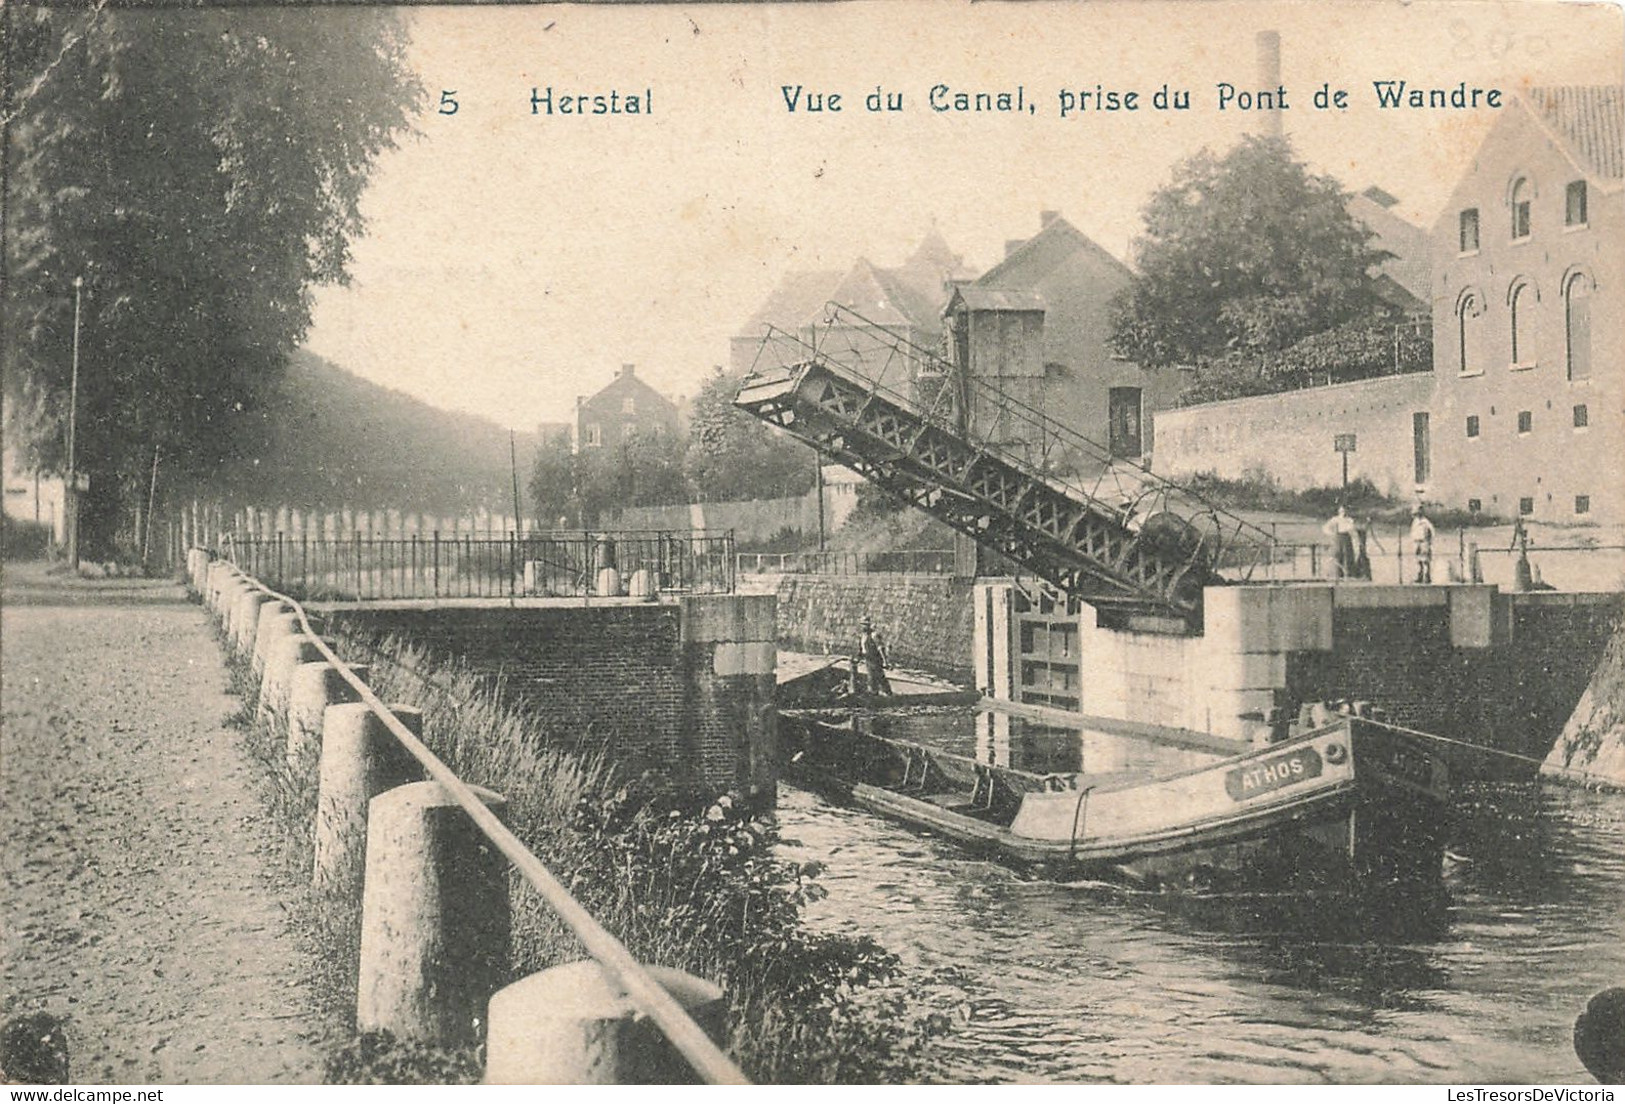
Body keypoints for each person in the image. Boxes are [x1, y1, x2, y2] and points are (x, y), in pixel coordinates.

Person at [858, 616, 893, 696]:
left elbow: (880, 648)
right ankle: (874, 694)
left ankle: (888, 693)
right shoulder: (863, 636)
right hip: (868, 659)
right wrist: (860, 658)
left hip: (875, 659)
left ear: (869, 625)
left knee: (879, 676)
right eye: (862, 624)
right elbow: (862, 648)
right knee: (871, 677)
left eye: (865, 624)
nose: (863, 626)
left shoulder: (874, 635)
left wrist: (885, 661)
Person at [1322, 504, 1357, 579]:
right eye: (1341, 511)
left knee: (1347, 555)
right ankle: (1337, 574)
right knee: (1337, 554)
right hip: (1337, 538)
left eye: (1344, 511)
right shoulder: (1335, 519)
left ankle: (1348, 574)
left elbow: (1352, 529)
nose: (1343, 512)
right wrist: (1331, 533)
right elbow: (1325, 527)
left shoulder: (1349, 520)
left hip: (1346, 538)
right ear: (1338, 511)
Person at [1409, 504, 1436, 584]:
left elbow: (1432, 533)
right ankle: (1420, 576)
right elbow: (1413, 532)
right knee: (1418, 560)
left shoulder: (1426, 522)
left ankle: (1427, 576)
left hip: (1424, 542)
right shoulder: (1415, 522)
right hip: (1417, 542)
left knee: (1425, 560)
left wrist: (1429, 542)